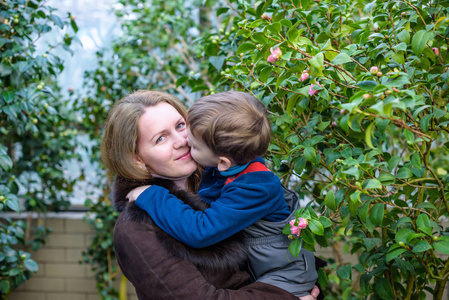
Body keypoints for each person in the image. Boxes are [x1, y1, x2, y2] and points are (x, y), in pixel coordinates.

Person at [100, 89, 320, 299]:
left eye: (180, 125)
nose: (182, 141)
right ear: (137, 159)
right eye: (160, 138)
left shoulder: (225, 176)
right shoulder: (137, 226)